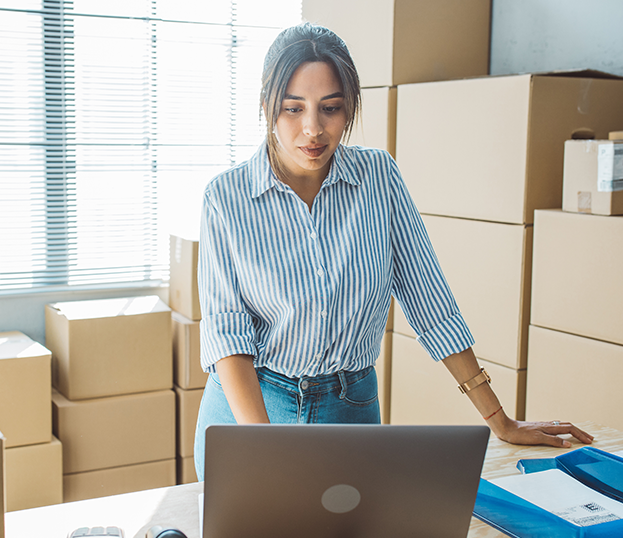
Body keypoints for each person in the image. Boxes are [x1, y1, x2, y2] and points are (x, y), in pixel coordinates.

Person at [193, 22, 593, 481]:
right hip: (252, 413)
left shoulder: (378, 179)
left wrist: (499, 419)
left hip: (350, 409)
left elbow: (429, 301)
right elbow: (229, 338)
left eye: (331, 108)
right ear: (265, 104)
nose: (313, 129)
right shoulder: (225, 198)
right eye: (292, 108)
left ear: (349, 109)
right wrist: (267, 448)